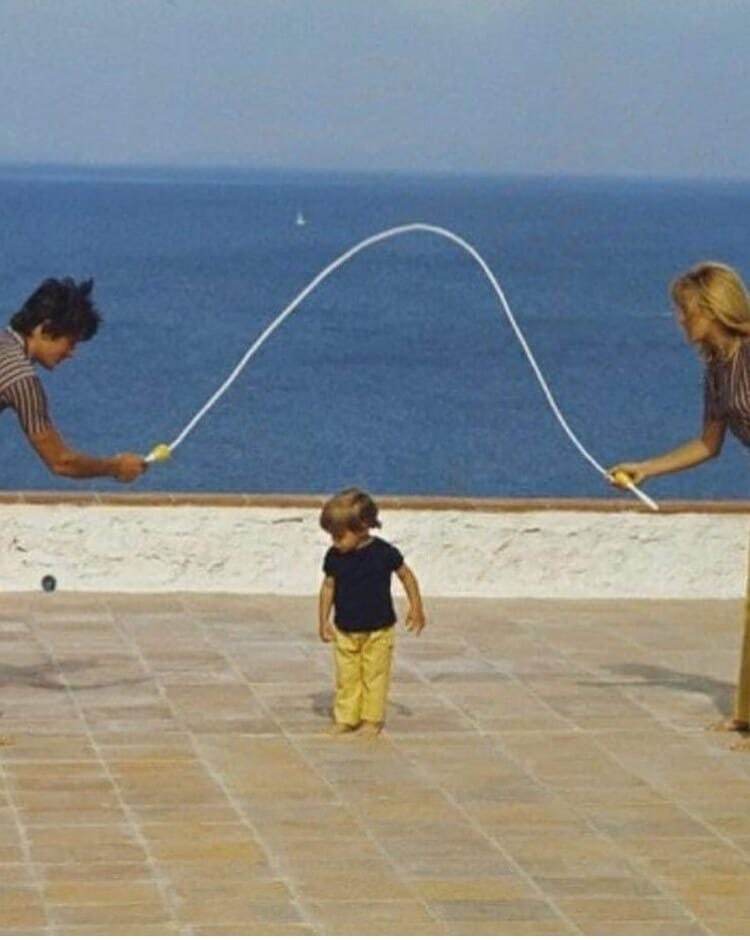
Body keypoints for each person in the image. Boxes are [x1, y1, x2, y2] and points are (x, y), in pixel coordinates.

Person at [609, 261, 750, 749]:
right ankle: (747, 715)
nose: (679, 320)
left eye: (685, 309)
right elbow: (708, 444)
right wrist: (647, 468)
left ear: (713, 309)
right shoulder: (716, 367)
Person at [1, 277, 146, 482]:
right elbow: (61, 462)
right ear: (44, 329)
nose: (71, 353)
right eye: (70, 343)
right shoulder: (21, 379)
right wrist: (116, 466)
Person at [318, 487, 426, 736]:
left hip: (379, 628)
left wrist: (416, 607)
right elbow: (328, 587)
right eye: (332, 536)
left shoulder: (383, 553)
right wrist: (323, 620)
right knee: (347, 677)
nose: (334, 542)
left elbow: (406, 576)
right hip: (345, 628)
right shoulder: (335, 557)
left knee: (375, 676)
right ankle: (346, 717)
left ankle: (371, 719)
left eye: (339, 536)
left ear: (363, 527)